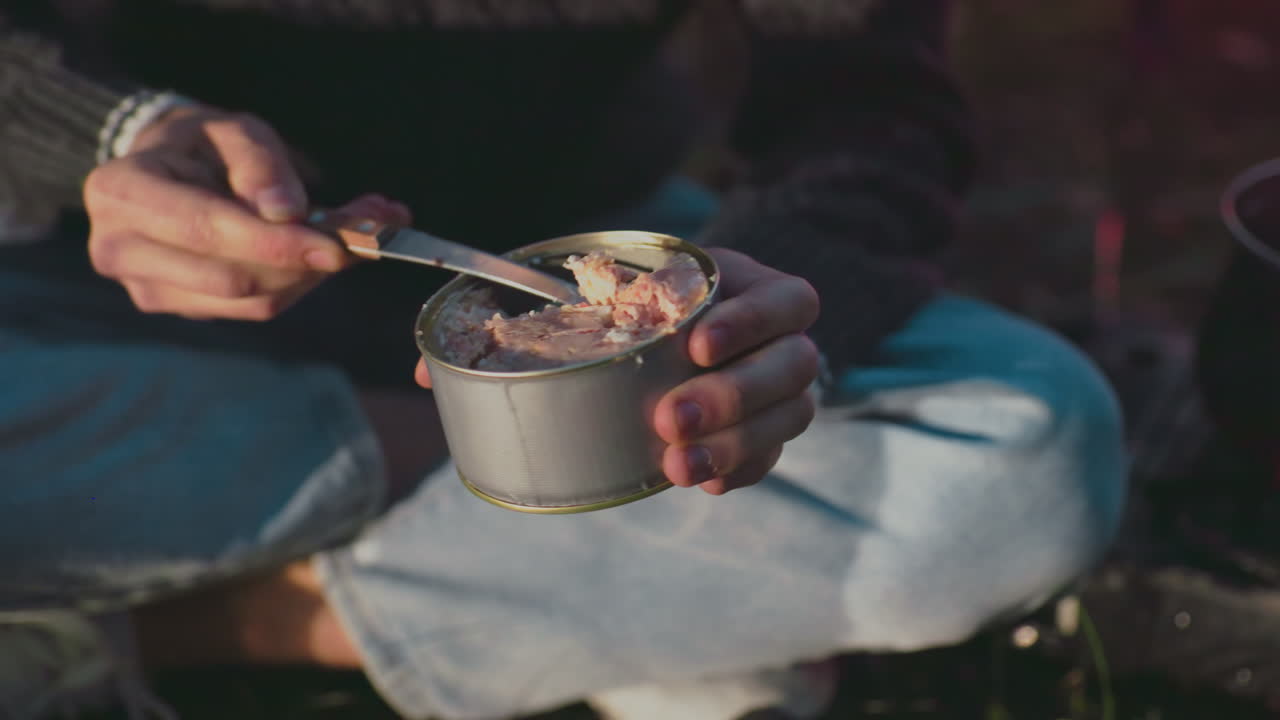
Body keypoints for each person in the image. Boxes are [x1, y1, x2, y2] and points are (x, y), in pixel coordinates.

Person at [0, 2, 1128, 719]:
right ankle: (592, 558)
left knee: (1021, 455)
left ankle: (169, 623)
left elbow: (868, 105)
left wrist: (765, 313)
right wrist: (103, 134)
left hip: (585, 252)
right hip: (92, 270)